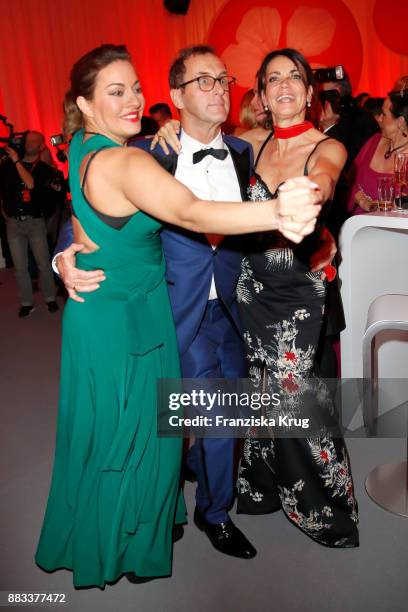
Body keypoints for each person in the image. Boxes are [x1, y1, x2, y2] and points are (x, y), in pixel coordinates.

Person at [35, 43, 321, 588]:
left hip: (232, 311)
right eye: (204, 80)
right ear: (177, 96)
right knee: (196, 420)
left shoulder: (246, 150)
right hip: (170, 311)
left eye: (224, 79)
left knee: (219, 420)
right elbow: (86, 218)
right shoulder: (144, 151)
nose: (219, 89)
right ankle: (208, 512)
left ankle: (205, 501)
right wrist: (62, 257)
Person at [234, 48, 359, 548]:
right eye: (272, 80)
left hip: (298, 297)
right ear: (262, 95)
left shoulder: (325, 146)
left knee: (300, 399)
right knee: (262, 392)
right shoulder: (246, 144)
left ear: (309, 93)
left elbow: (325, 178)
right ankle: (263, 487)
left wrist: (312, 194)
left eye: (294, 78)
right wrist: (168, 135)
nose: (283, 86)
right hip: (252, 288)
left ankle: (325, 509)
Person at [0, 131, 59, 317]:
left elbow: (30, 183)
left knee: (43, 263)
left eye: (35, 141)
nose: (29, 143)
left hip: (35, 222)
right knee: (20, 267)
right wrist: (4, 210)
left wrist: (17, 161)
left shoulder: (44, 169)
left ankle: (50, 298)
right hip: (14, 223)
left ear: (42, 146)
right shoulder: (8, 165)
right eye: (28, 140)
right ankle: (27, 302)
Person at [347, 85, 408, 215]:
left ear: (400, 122)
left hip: (396, 232)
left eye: (384, 114)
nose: (379, 119)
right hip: (358, 229)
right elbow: (350, 180)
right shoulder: (374, 142)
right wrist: (362, 201)